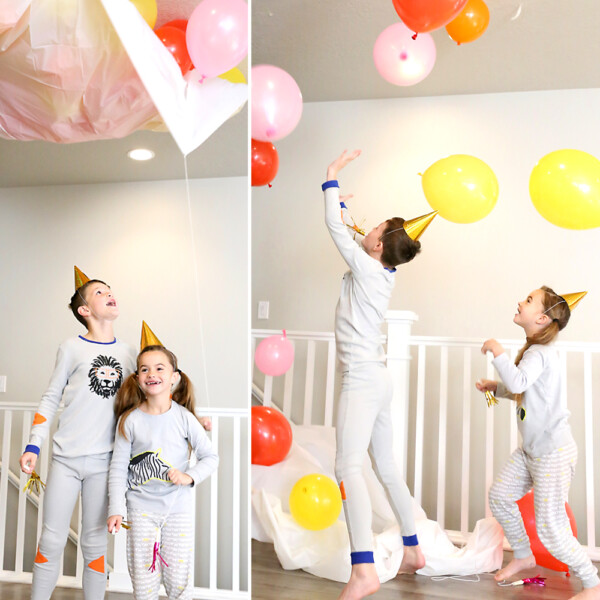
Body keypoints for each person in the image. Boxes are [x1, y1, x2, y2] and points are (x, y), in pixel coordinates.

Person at [323, 150, 436, 600]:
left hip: (364, 379)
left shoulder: (367, 265)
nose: (368, 228)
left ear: (376, 245)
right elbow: (353, 230)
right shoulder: (380, 267)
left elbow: (337, 229)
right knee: (385, 466)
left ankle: (364, 569)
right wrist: (347, 208)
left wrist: (331, 179)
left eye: (375, 229)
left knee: (347, 465)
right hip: (379, 377)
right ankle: (412, 549)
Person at [19, 266, 136, 600]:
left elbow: (154, 392)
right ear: (85, 310)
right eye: (99, 292)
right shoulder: (70, 348)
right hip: (66, 460)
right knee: (52, 539)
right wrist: (33, 444)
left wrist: (193, 420)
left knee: (95, 543)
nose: (109, 293)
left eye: (110, 289)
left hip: (105, 462)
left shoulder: (129, 354)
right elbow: (51, 396)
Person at [477, 287, 600, 599]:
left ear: (543, 319)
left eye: (528, 300)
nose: (520, 301)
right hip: (532, 451)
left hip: (552, 453)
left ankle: (591, 581)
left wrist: (497, 351)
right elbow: (527, 391)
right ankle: (523, 554)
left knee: (550, 527)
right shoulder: (535, 353)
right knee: (501, 495)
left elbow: (520, 381)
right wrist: (498, 389)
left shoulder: (539, 353)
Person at [107, 325, 218, 600]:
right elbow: (118, 468)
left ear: (174, 377)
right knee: (144, 580)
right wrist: (116, 508)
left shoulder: (184, 418)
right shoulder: (130, 420)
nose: (151, 374)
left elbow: (210, 457)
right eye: (144, 369)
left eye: (159, 368)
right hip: (141, 508)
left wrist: (189, 476)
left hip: (177, 508)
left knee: (179, 578)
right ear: (136, 378)